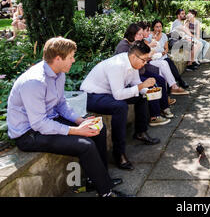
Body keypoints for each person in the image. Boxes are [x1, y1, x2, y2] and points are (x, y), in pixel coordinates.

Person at [6, 37, 129, 197]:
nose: (73, 60)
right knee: (85, 144)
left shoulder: (58, 73)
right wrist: (77, 131)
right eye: (71, 57)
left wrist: (80, 121)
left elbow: (61, 104)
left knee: (97, 129)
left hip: (47, 121)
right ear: (58, 58)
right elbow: (39, 124)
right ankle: (106, 193)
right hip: (29, 134)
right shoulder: (35, 82)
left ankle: (98, 179)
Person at [80, 40, 161, 171]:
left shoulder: (133, 63)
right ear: (134, 56)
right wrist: (142, 86)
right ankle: (119, 153)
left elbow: (136, 83)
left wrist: (148, 91)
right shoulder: (117, 65)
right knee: (121, 106)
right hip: (92, 96)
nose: (145, 63)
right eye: (144, 60)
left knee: (141, 97)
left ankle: (140, 132)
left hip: (108, 93)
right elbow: (118, 95)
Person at [114, 23, 172, 125]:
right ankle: (155, 116)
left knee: (161, 80)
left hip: (140, 71)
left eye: (142, 34)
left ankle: (164, 107)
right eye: (139, 34)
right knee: (152, 86)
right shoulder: (123, 46)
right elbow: (129, 67)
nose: (142, 37)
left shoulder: (134, 43)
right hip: (130, 76)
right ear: (132, 34)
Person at [147, 19, 190, 91]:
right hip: (154, 58)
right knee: (168, 62)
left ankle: (176, 83)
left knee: (168, 61)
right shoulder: (149, 36)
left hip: (163, 56)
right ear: (153, 28)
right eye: (156, 27)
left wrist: (163, 53)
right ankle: (179, 81)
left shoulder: (164, 35)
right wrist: (152, 40)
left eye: (160, 27)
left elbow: (166, 49)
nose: (158, 29)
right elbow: (147, 49)